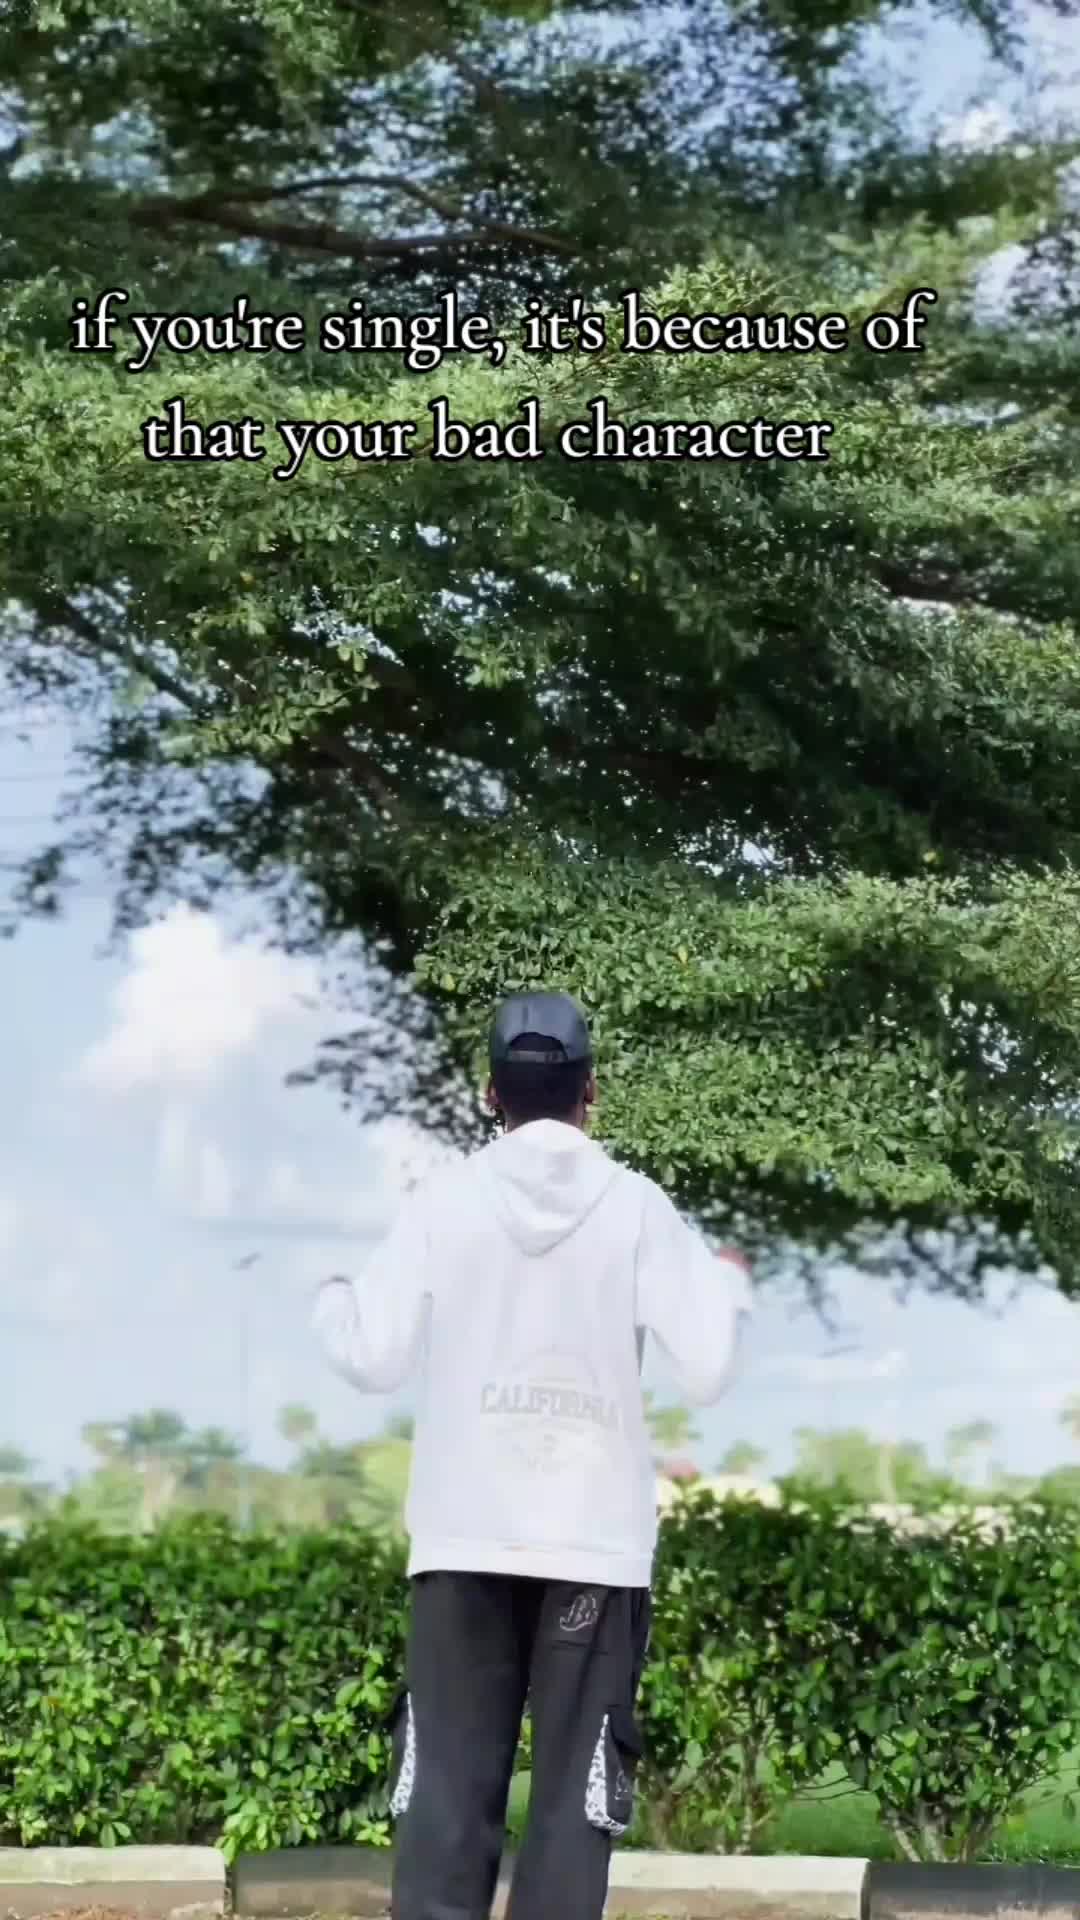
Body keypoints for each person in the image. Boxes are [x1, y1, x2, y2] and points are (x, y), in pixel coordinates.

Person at [314, 990, 752, 1920]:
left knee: (445, 1795)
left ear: (491, 1094)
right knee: (572, 1806)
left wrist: (331, 1298)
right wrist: (729, 1286)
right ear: (591, 1090)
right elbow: (709, 1370)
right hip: (593, 1545)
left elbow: (372, 1357)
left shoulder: (441, 1203)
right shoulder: (638, 1209)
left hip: (463, 1537)